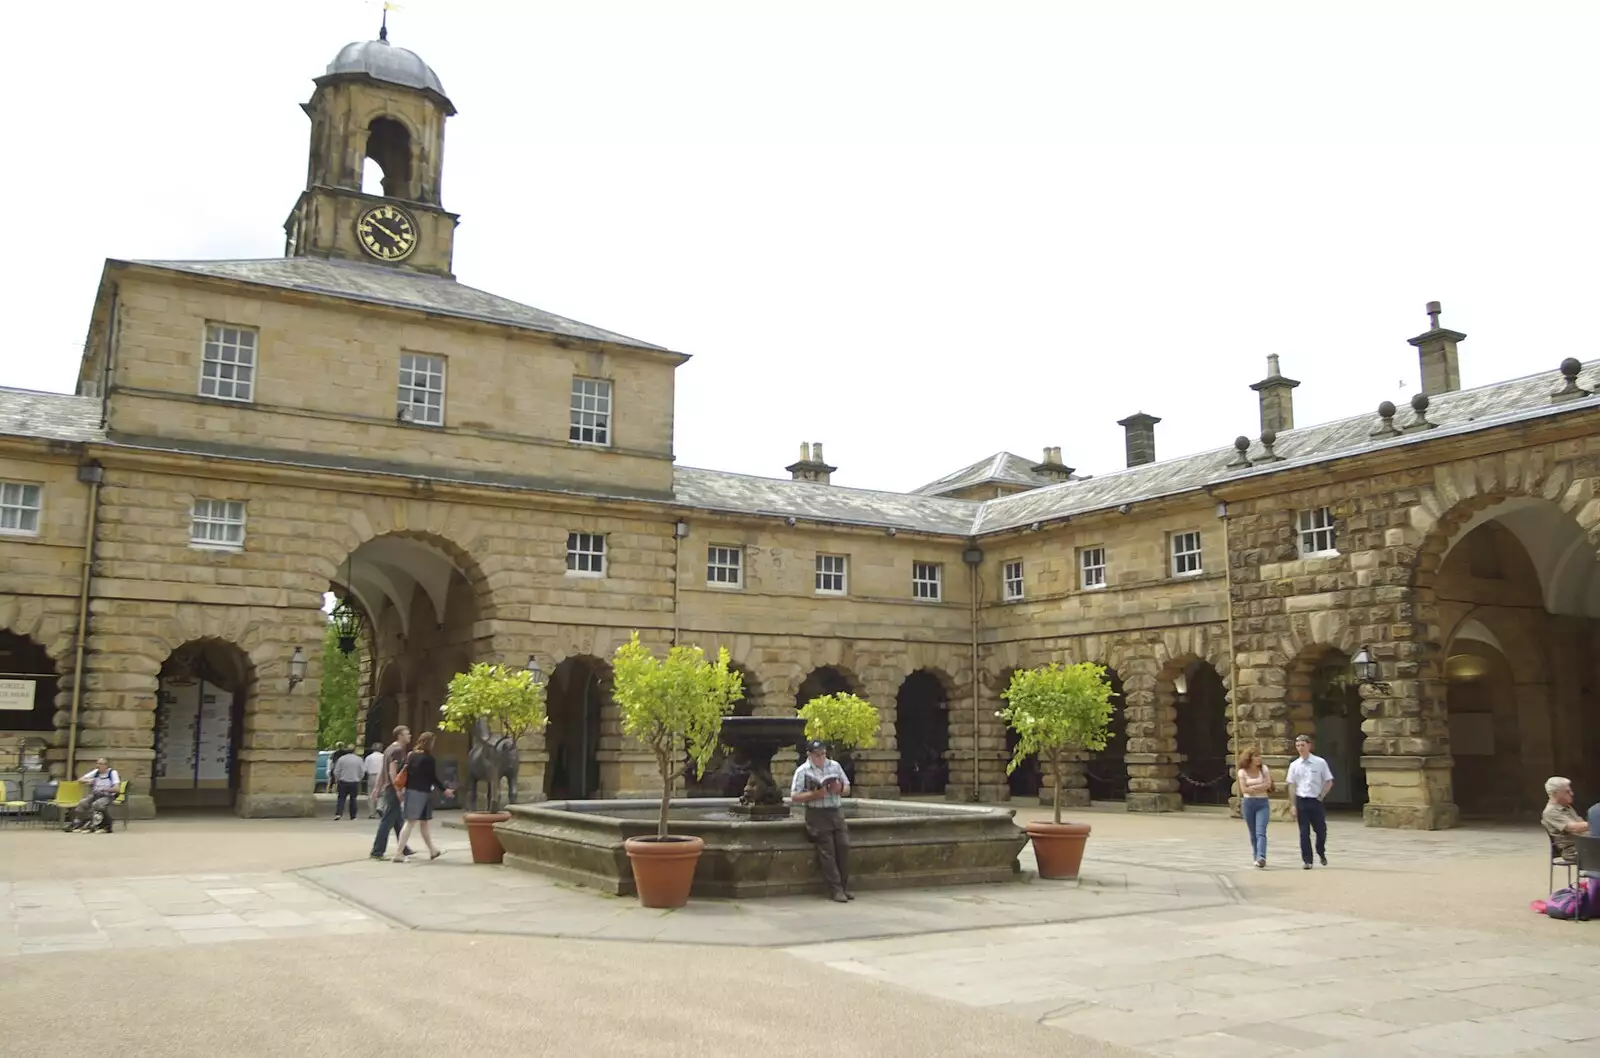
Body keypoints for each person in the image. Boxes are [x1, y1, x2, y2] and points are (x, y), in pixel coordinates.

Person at [789, 740, 852, 902]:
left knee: (843, 846)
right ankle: (836, 889)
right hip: (817, 814)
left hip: (835, 811)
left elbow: (847, 788)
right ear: (809, 755)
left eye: (823, 754)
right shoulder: (802, 771)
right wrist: (814, 795)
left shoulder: (835, 766)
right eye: (817, 755)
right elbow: (795, 796)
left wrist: (840, 790)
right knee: (827, 850)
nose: (821, 757)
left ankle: (844, 887)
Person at [393, 731, 453, 863]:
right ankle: (398, 853)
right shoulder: (429, 759)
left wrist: (402, 789)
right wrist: (444, 790)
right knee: (411, 822)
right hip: (422, 792)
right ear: (429, 743)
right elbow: (433, 778)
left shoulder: (411, 755)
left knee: (423, 822)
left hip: (412, 791)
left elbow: (402, 771)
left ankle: (433, 850)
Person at [1286, 733, 1333, 870]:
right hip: (1302, 800)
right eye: (1298, 746)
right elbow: (1291, 785)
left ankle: (1321, 851)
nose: (1300, 748)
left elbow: (1328, 781)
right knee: (1303, 831)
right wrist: (1293, 804)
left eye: (1303, 745)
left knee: (1321, 830)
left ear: (1309, 746)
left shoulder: (1320, 762)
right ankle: (1307, 860)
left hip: (1315, 800)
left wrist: (1322, 795)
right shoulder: (1294, 765)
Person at [369, 726, 414, 860]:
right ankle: (377, 851)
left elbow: (382, 770)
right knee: (387, 820)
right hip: (393, 788)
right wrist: (398, 789)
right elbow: (391, 771)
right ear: (400, 735)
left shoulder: (388, 749)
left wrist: (377, 788)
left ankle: (404, 848)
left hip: (388, 787)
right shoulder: (398, 751)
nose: (409, 736)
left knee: (398, 820)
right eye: (407, 734)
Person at [1541, 776, 1591, 867]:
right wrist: (1596, 823)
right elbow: (1574, 828)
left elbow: (1583, 826)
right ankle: (1595, 881)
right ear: (1555, 793)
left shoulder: (1566, 807)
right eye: (1567, 792)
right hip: (1574, 850)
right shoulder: (1551, 811)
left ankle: (1594, 880)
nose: (1571, 793)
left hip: (1585, 845)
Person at [1236, 745, 1272, 869]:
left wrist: (1253, 788)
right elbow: (1243, 789)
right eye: (1256, 756)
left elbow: (1268, 784)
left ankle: (1261, 856)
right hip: (1249, 803)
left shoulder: (1264, 769)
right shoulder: (1242, 772)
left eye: (1259, 755)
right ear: (1249, 758)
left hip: (1263, 802)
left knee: (1260, 831)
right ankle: (1256, 856)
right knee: (1253, 833)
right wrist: (1259, 787)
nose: (1259, 758)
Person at [66, 758, 120, 833]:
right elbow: (80, 780)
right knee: (83, 803)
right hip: (95, 794)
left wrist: (104, 789)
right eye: (97, 763)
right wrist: (89, 781)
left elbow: (117, 789)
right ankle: (79, 823)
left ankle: (106, 825)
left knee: (97, 804)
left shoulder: (112, 773)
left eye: (101, 764)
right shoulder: (96, 772)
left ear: (106, 765)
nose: (98, 766)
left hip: (108, 795)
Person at [330, 743, 364, 820]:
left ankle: (339, 813)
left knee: (341, 798)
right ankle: (353, 816)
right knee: (353, 799)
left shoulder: (341, 759)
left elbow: (336, 771)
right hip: (354, 781)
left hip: (343, 781)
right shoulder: (359, 759)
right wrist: (359, 778)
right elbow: (362, 771)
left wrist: (338, 778)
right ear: (354, 750)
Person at [363, 741, 385, 818]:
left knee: (371, 794)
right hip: (381, 776)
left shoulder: (368, 757)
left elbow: (365, 769)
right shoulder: (383, 756)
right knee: (382, 793)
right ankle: (379, 806)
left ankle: (372, 813)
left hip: (371, 776)